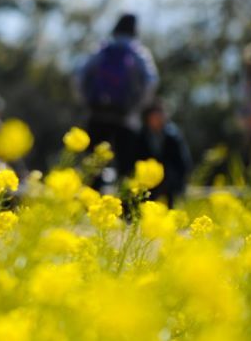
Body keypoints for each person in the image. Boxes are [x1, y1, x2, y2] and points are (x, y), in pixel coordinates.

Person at [78, 13, 158, 179]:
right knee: (126, 168)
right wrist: (137, 108)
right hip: (125, 118)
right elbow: (151, 82)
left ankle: (89, 201)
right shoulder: (139, 53)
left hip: (97, 114)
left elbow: (79, 75)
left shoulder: (102, 49)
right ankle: (126, 203)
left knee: (93, 166)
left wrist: (86, 101)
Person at [133, 101, 192, 205]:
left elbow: (183, 162)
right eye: (154, 116)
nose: (157, 119)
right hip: (147, 183)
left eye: (160, 116)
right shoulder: (140, 136)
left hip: (169, 183)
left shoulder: (174, 136)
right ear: (148, 118)